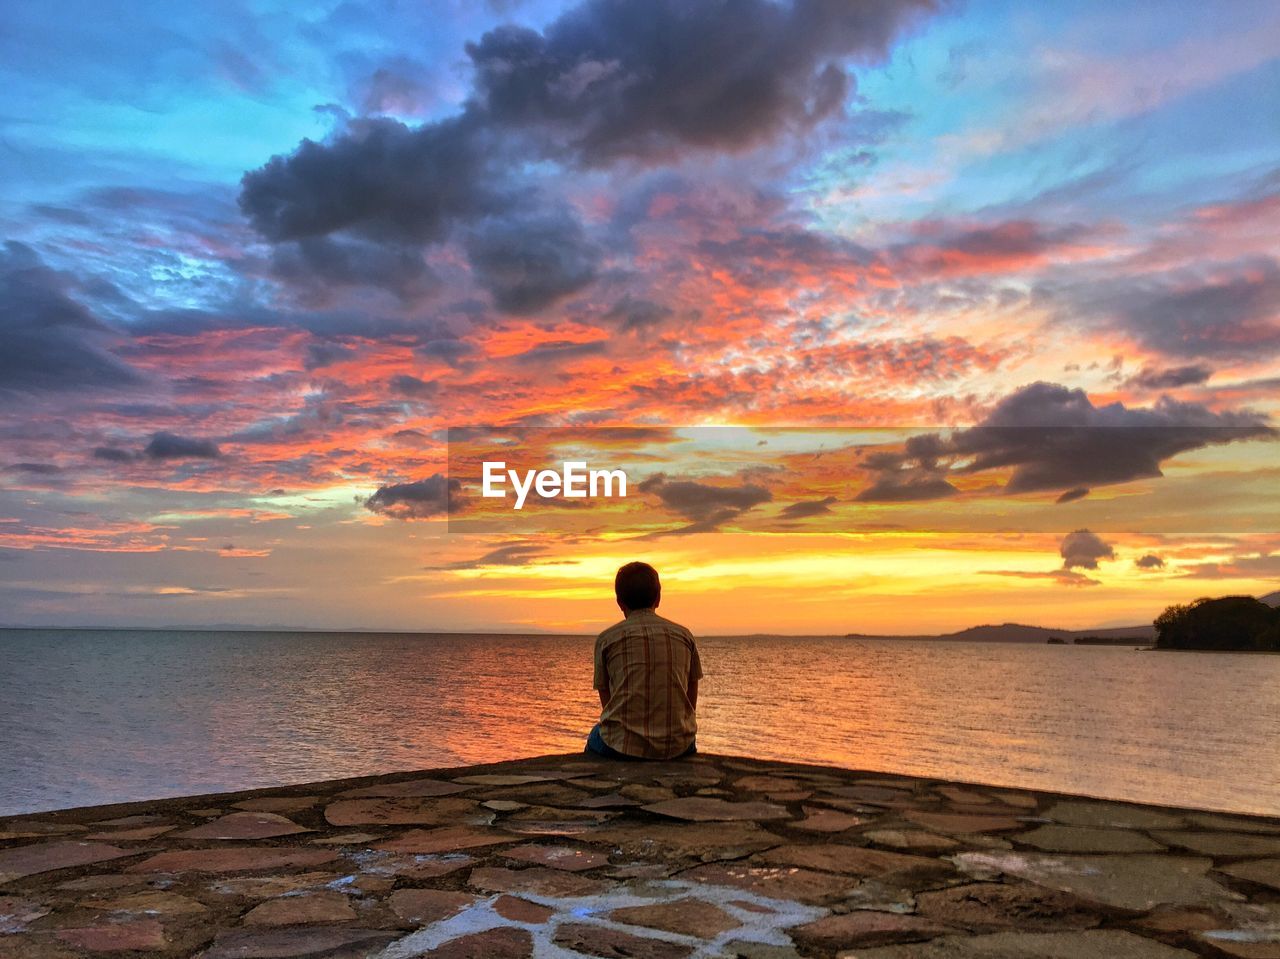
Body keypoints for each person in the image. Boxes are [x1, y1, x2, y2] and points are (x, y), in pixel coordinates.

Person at [585, 562, 703, 760]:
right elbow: (691, 695)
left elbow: (607, 703)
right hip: (680, 744)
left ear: (619, 601)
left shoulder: (607, 639)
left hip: (623, 746)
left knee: (595, 737)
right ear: (658, 598)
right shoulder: (684, 636)